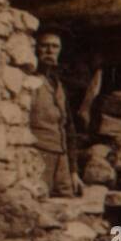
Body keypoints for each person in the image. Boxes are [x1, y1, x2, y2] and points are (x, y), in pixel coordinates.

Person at [30, 31, 81, 197]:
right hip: (39, 154)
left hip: (62, 159)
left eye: (55, 47)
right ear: (36, 49)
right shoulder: (28, 81)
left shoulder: (58, 84)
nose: (50, 51)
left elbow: (69, 128)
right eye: (44, 46)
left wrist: (73, 170)